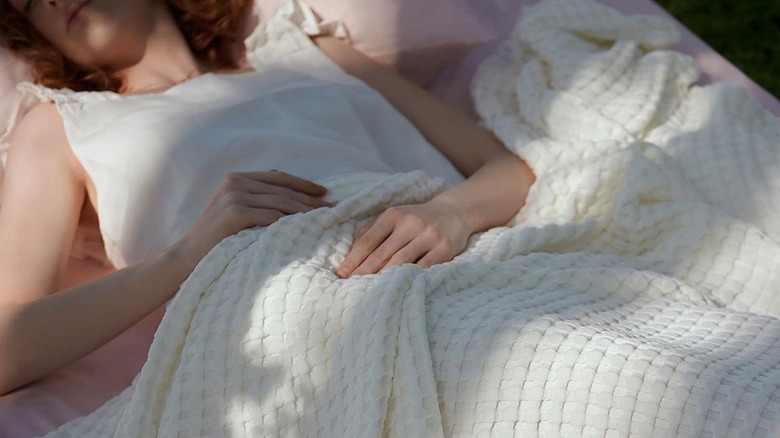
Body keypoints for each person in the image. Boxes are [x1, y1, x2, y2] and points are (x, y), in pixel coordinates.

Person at [0, 0, 535, 395]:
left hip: (460, 272)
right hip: (305, 342)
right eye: (27, 5)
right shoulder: (63, 124)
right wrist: (186, 256)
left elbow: (508, 168)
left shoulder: (306, 49)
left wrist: (450, 212)